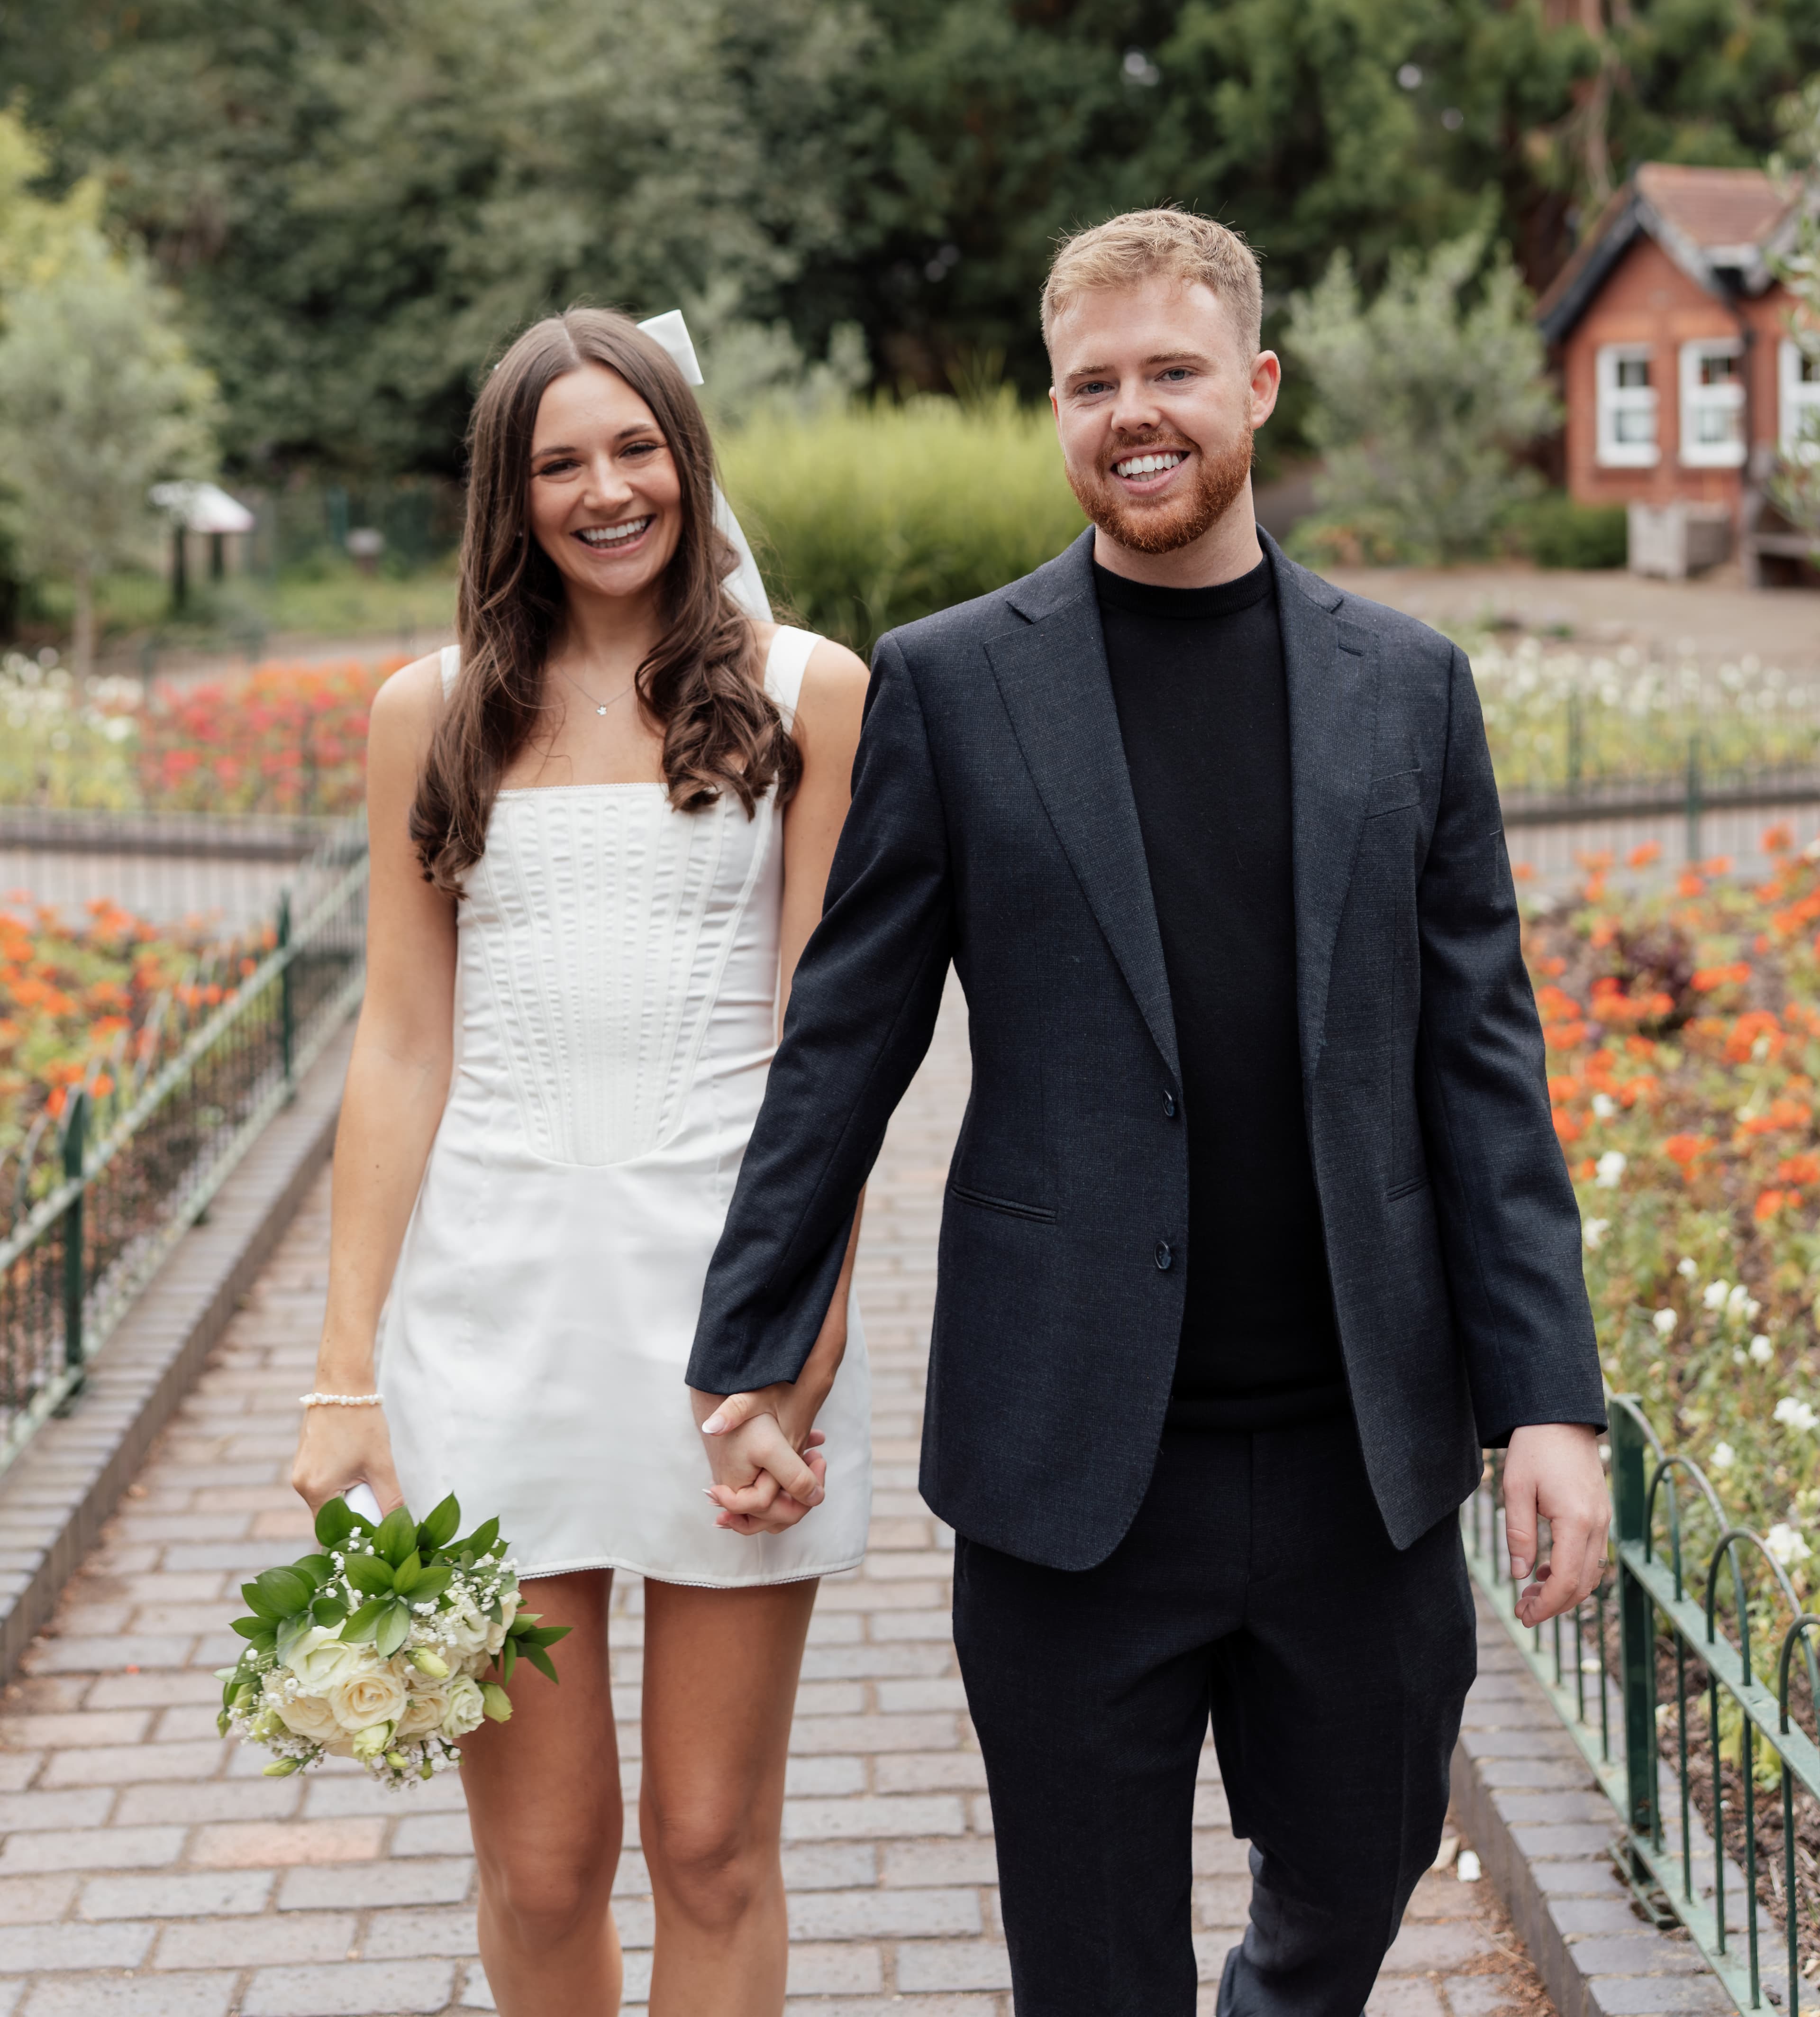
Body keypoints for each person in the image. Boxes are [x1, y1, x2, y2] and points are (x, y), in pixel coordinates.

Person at [689, 210, 1610, 2017]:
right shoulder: (956, 683)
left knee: (1346, 1894)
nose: (1135, 414)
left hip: (1362, 1460)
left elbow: (1483, 1059)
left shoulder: (1407, 689)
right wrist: (749, 1351)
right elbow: (844, 1048)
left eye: (1172, 372)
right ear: (1057, 413)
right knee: (1093, 1969)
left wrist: (1549, 1403)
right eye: (1091, 384)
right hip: (1071, 1462)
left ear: (1254, 388)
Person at [293, 306, 871, 2017]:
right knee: (542, 1865)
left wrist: (801, 1358)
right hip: (487, 1320)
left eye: (636, 449)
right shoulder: (432, 712)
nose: (606, 491)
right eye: (560, 462)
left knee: (712, 1847)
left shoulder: (806, 692)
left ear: (689, 461)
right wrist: (345, 1378)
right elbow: (398, 1046)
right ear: (509, 491)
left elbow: (824, 1065)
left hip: (730, 1309)